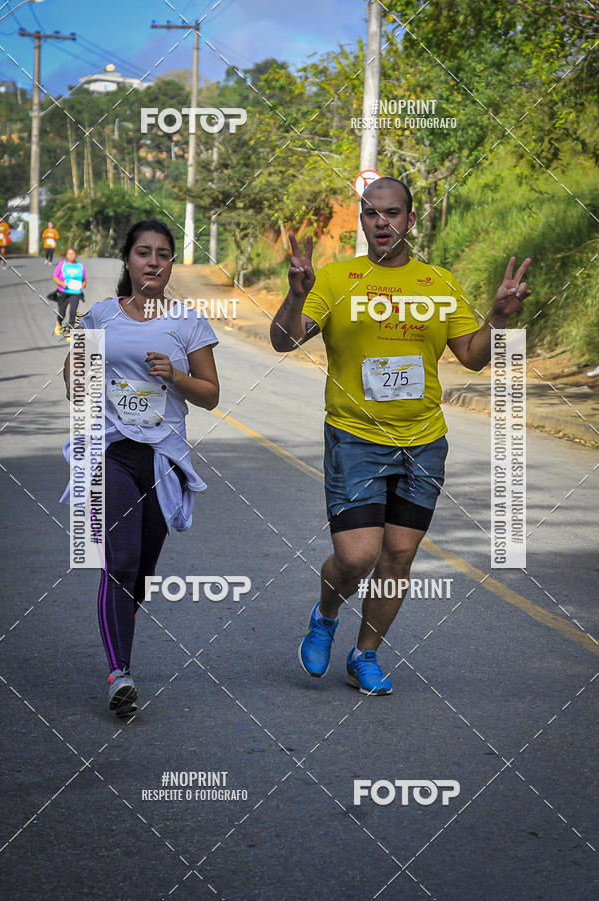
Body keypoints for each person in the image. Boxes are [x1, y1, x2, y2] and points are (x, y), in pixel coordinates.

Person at [270, 176, 531, 695]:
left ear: (410, 221)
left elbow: (473, 357)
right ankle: (325, 616)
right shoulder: (338, 278)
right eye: (371, 214)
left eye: (392, 213)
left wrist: (498, 318)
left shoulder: (437, 283)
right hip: (354, 438)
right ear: (362, 221)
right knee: (356, 557)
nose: (381, 222)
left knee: (397, 557)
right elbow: (284, 340)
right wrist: (296, 293)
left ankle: (364, 654)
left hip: (422, 442)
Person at [61, 219, 220, 716]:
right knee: (121, 559)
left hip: (162, 459)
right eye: (144, 253)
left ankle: (116, 630)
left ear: (171, 264)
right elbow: (75, 388)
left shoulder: (189, 323)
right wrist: (80, 358)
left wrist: (174, 375)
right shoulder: (102, 315)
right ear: (127, 260)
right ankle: (119, 673)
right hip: (111, 453)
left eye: (163, 254)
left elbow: (211, 395)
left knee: (143, 571)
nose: (154, 261)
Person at [53, 248, 86, 340]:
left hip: (76, 293)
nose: (71, 256)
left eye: (73, 254)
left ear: (75, 255)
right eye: (69, 254)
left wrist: (83, 285)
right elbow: (55, 277)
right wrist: (61, 284)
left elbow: (84, 280)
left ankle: (69, 332)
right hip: (63, 292)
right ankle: (58, 323)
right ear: (66, 255)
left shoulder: (80, 266)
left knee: (72, 313)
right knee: (62, 313)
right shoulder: (62, 264)